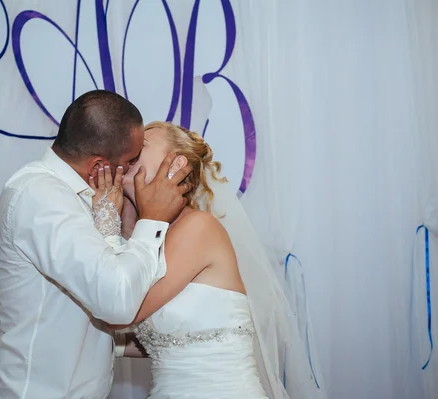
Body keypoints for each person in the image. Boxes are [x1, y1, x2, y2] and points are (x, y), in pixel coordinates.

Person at [0, 91, 192, 399]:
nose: (133, 170)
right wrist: (153, 219)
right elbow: (117, 302)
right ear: (98, 166)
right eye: (130, 161)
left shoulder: (89, 199)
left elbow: (97, 303)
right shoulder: (40, 196)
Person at [100, 121, 326, 399]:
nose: (128, 151)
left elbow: (121, 311)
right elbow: (172, 339)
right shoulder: (152, 242)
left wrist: (108, 221)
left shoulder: (198, 228)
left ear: (177, 164)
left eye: (141, 147)